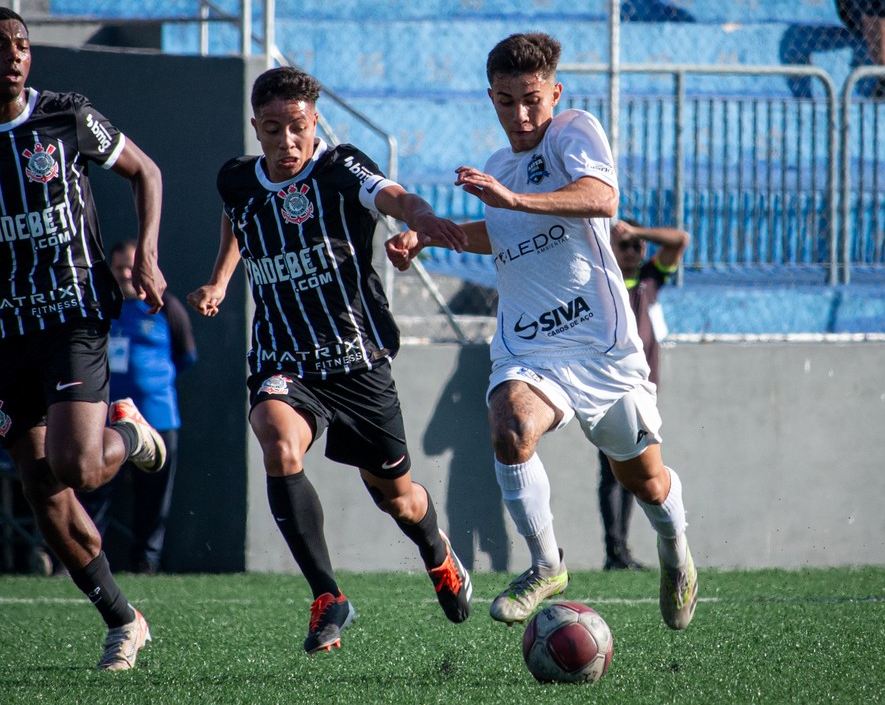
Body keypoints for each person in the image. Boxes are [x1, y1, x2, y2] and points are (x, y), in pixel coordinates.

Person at [386, 32, 699, 631]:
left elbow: (601, 198)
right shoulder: (500, 168)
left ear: (554, 91)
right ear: (492, 98)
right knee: (509, 427)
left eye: (532, 98)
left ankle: (675, 548)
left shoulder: (573, 131)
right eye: (506, 101)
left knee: (646, 482)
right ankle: (546, 563)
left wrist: (512, 198)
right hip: (530, 348)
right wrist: (430, 236)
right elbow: (498, 232)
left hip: (602, 350)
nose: (521, 114)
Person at [0, 6, 168, 671]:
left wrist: (151, 255)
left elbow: (147, 172)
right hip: (5, 331)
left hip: (74, 314)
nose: (15, 55)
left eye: (21, 44)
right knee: (42, 487)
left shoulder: (66, 115)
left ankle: (129, 433)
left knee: (77, 465)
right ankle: (122, 620)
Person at [187, 66, 474, 653]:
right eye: (272, 129)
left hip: (355, 359)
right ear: (255, 128)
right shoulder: (236, 179)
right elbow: (238, 215)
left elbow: (390, 193)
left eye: (297, 128)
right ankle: (328, 595)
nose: (286, 142)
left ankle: (437, 551)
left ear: (314, 121)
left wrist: (417, 222)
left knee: (398, 498)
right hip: (282, 358)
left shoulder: (340, 166)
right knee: (276, 438)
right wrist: (219, 279)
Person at [77, 240, 197, 575]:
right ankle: (88, 559)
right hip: (105, 421)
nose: (127, 273)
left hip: (157, 419)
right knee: (96, 490)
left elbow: (185, 356)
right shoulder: (101, 306)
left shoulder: (166, 307)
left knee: (153, 498)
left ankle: (146, 561)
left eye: (132, 266)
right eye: (120, 268)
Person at [596, 219, 689, 571]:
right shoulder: (605, 280)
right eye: (626, 245)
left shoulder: (649, 279)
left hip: (644, 393)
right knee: (612, 470)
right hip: (607, 389)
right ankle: (615, 551)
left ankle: (621, 551)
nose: (633, 250)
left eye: (638, 245)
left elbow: (680, 239)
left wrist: (637, 232)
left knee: (637, 470)